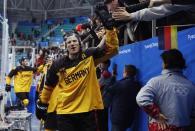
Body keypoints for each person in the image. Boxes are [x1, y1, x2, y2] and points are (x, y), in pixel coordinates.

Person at [37, 27, 119, 131]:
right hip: (65, 113)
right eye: (69, 42)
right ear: (66, 46)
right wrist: (42, 103)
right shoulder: (57, 64)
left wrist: (110, 30)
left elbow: (113, 50)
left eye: (74, 41)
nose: (72, 43)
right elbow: (49, 86)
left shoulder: (89, 56)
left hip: (87, 112)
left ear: (79, 43)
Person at [136, 49, 195, 131]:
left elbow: (141, 98)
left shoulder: (156, 81)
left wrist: (156, 115)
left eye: (162, 62)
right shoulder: (191, 85)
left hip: (162, 128)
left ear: (166, 63)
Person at [106, 64, 141, 131]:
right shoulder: (137, 85)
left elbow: (107, 89)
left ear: (126, 73)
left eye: (123, 71)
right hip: (128, 118)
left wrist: (113, 77)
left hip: (117, 118)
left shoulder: (120, 84)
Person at [97, 59, 116, 131]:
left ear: (107, 65)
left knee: (101, 123)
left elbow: (98, 85)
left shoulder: (106, 74)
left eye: (102, 64)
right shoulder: (105, 74)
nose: (100, 65)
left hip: (103, 103)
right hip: (103, 102)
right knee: (102, 122)